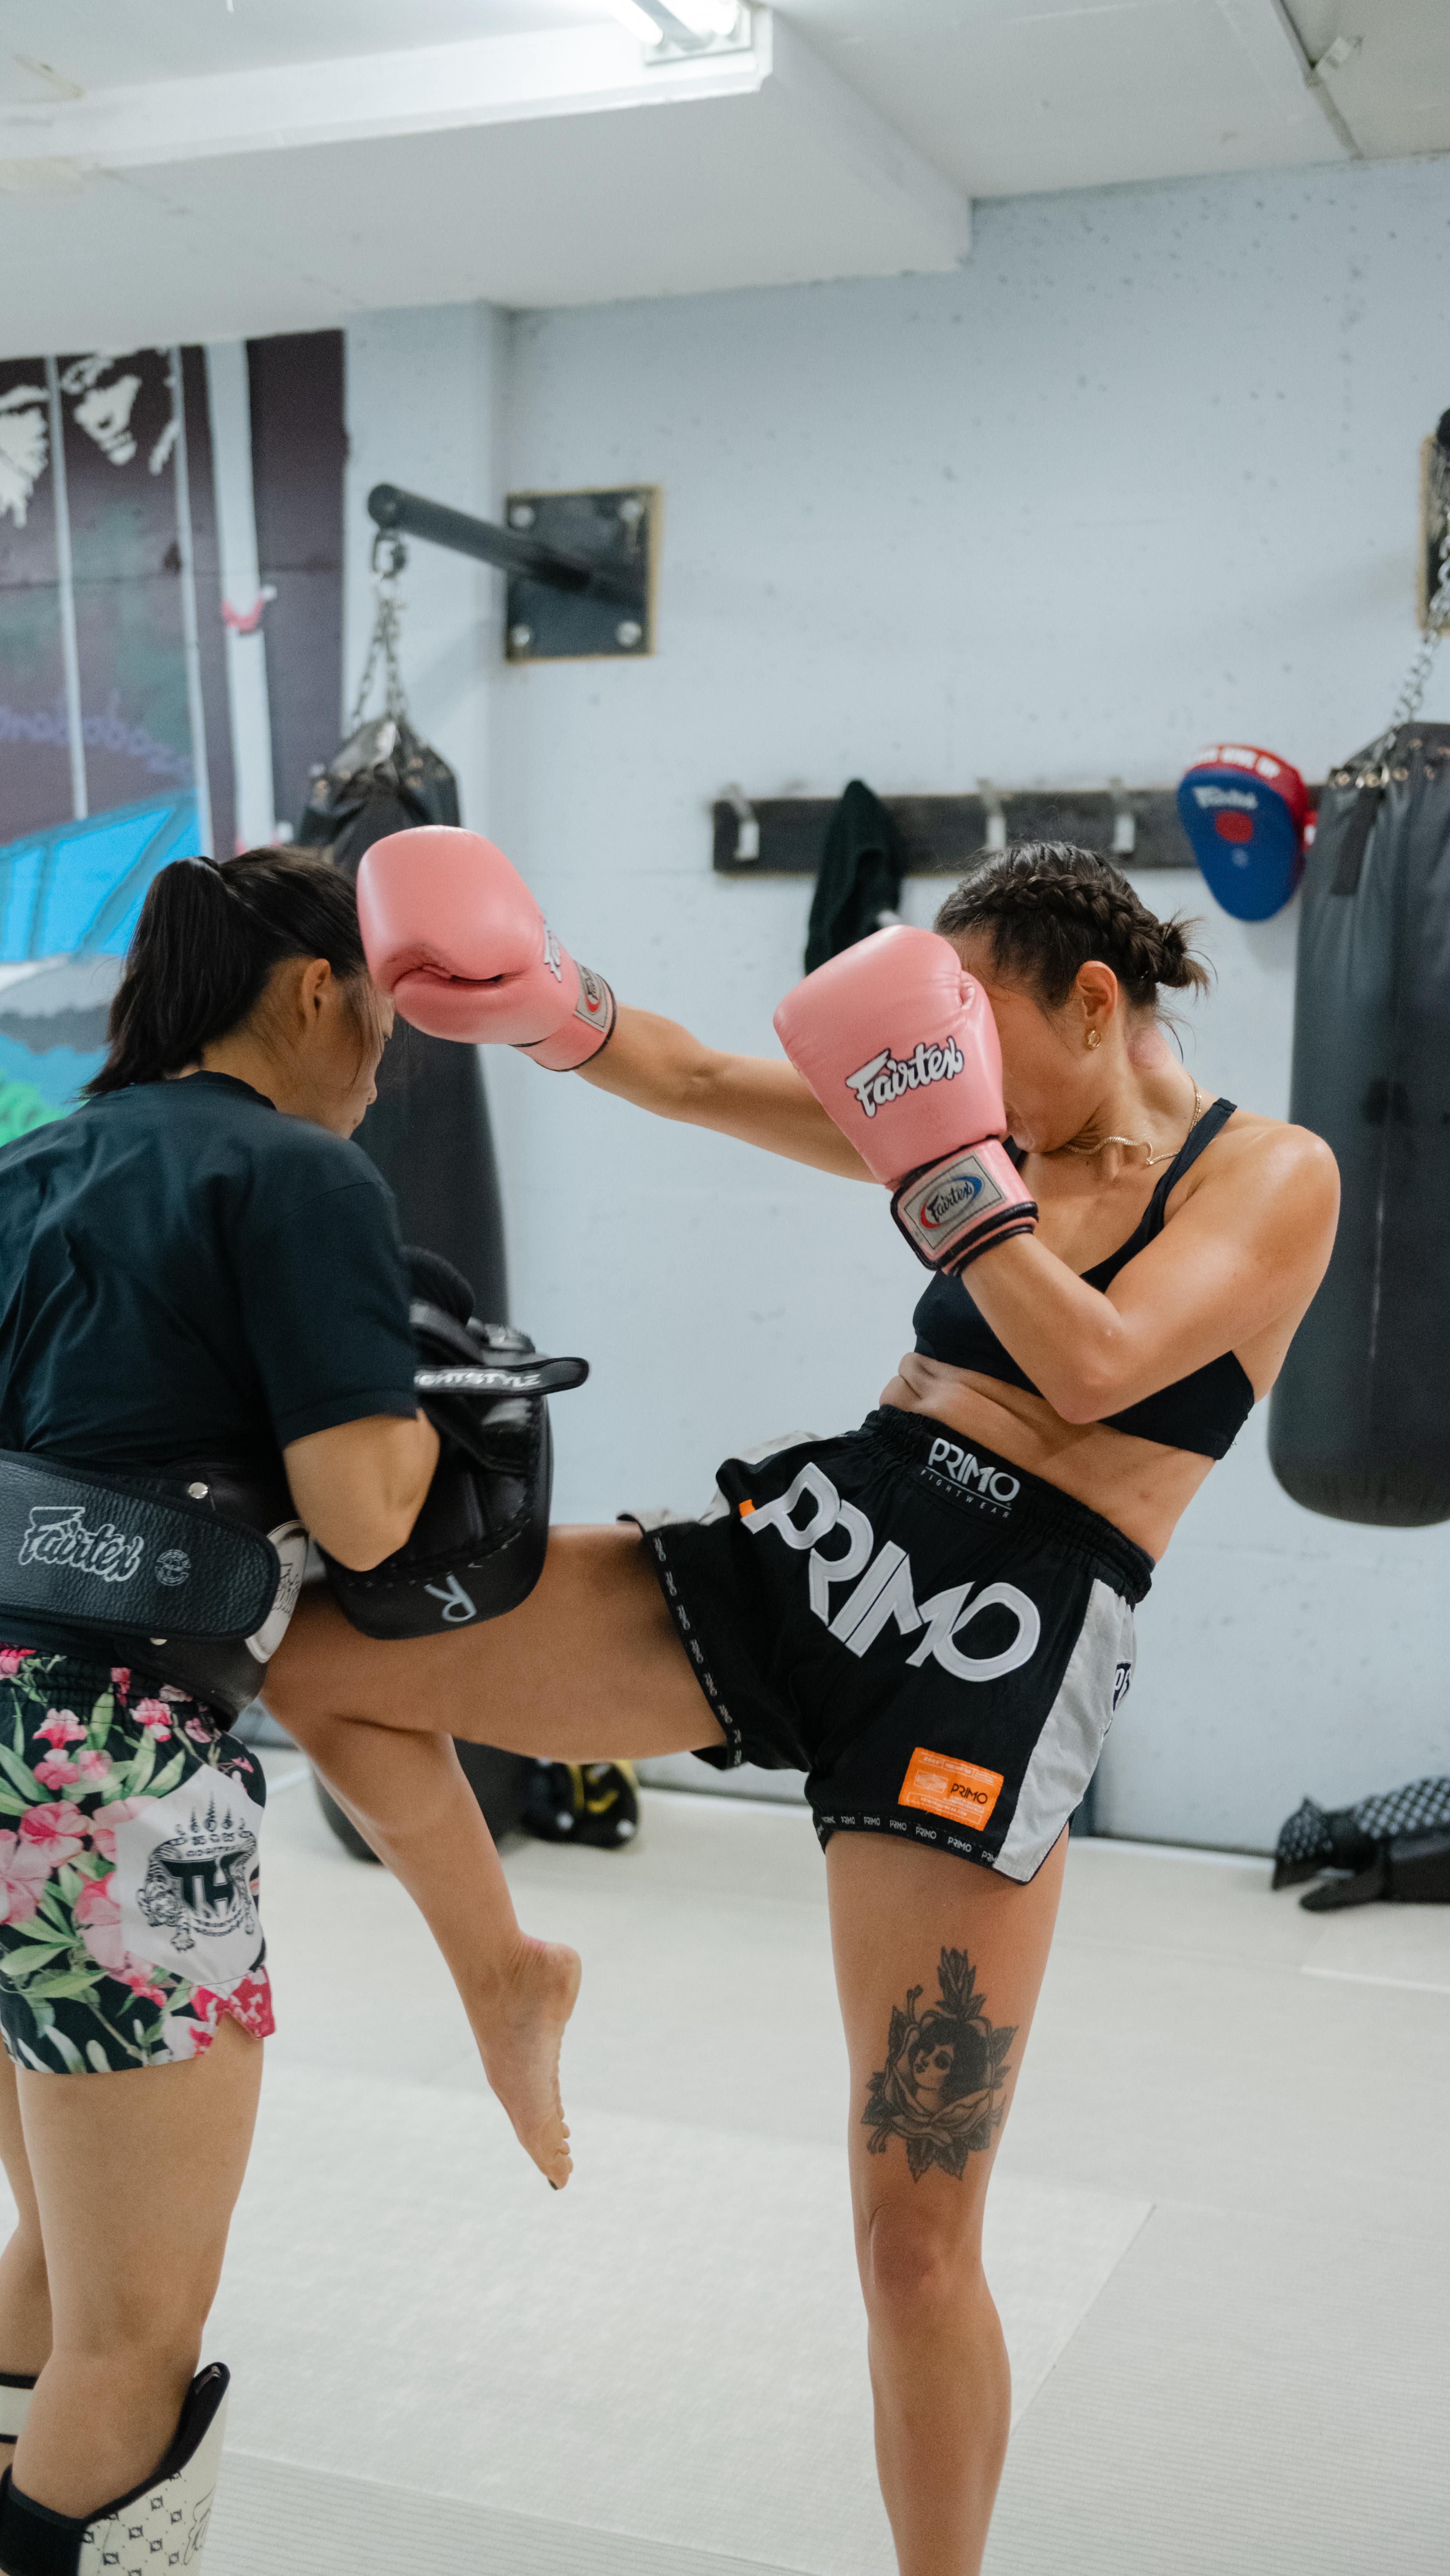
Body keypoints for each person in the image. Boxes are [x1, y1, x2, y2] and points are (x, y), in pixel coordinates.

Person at [265, 829, 1339, 2576]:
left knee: (912, 2241)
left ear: (1095, 999)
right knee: (320, 1656)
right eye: (942, 1044)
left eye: (982, 1032)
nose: (956, 1071)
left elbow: (1096, 1365)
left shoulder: (1271, 1173)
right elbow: (694, 1076)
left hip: (989, 1660)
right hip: (828, 1541)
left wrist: (939, 1155)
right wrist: (544, 1000)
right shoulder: (979, 1128)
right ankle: (508, 1972)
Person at [0, 850, 578, 2576]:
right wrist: (430, 1406)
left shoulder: (29, 1162)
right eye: (385, 1012)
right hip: (104, 1767)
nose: (391, 1061)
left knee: (60, 2263)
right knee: (133, 2335)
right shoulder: (300, 1171)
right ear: (319, 988)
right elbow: (367, 1520)